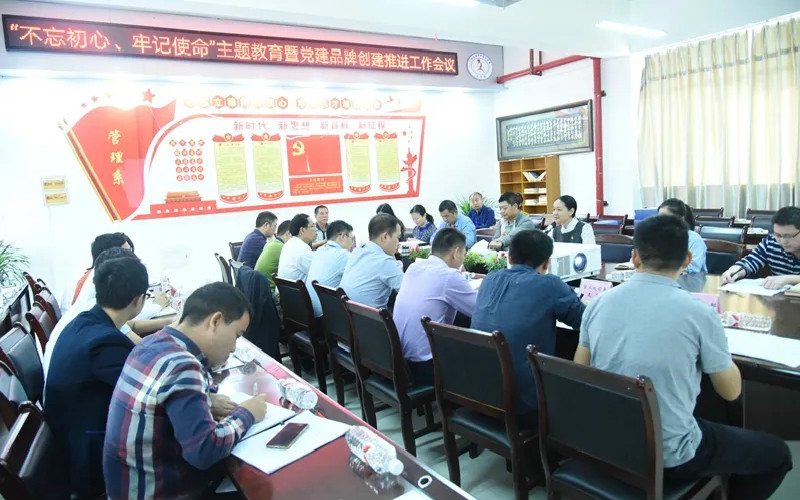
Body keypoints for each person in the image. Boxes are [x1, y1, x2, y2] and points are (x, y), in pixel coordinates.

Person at [575, 215, 792, 500]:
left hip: (603, 440)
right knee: (777, 454)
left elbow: (580, 370)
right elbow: (731, 392)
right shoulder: (699, 313)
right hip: (668, 456)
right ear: (688, 260)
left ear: (634, 257)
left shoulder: (597, 304)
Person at [103, 283, 268, 500]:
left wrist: (207, 400)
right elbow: (204, 451)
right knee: (264, 489)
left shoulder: (150, 344)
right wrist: (248, 413)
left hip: (129, 488)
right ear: (215, 321)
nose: (233, 348)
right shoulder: (184, 366)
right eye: (236, 335)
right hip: (160, 492)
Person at [45, 255, 148, 498]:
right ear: (138, 300)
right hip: (90, 461)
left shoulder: (84, 321)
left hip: (70, 444)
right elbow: (151, 393)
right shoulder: (105, 342)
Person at [471, 230, 584, 425]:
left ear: (509, 257)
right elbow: (584, 321)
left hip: (479, 390)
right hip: (523, 401)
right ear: (547, 263)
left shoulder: (490, 279)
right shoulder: (549, 284)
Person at [43, 248, 173, 379]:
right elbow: (150, 376)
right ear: (138, 300)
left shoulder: (85, 318)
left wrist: (171, 323)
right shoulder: (108, 342)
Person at [393, 228, 478, 386]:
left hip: (401, 359)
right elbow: (480, 310)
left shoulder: (413, 268)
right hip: (427, 366)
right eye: (464, 253)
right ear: (456, 252)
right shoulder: (449, 276)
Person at [722, 206, 800, 289]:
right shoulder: (770, 242)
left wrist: (787, 279)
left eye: (788, 236)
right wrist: (733, 271)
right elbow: (750, 262)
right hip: (780, 295)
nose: (783, 241)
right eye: (778, 235)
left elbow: (787, 280)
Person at [340, 213, 404, 308]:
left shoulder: (358, 250)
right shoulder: (384, 261)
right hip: (372, 316)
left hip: (349, 313)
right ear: (385, 237)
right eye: (398, 238)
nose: (398, 242)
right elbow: (410, 292)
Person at [62, 232, 132, 313]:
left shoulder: (95, 274)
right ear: (111, 254)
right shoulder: (101, 282)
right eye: (126, 252)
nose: (132, 257)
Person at [306, 220, 354, 317]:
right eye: (351, 239)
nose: (352, 243)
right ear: (342, 236)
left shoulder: (319, 251)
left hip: (311, 312)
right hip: (328, 317)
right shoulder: (343, 255)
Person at [658, 198, 707, 273]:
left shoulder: (694, 239)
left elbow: (693, 268)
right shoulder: (657, 236)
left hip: (690, 278)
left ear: (681, 219)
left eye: (665, 218)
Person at [277, 214, 316, 282]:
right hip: (300, 288)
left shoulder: (289, 244)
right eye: (312, 226)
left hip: (286, 288)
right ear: (302, 230)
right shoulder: (302, 248)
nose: (316, 229)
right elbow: (318, 273)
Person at [255, 220, 290, 292]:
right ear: (288, 233)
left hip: (259, 291)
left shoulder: (270, 243)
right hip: (271, 293)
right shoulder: (283, 248)